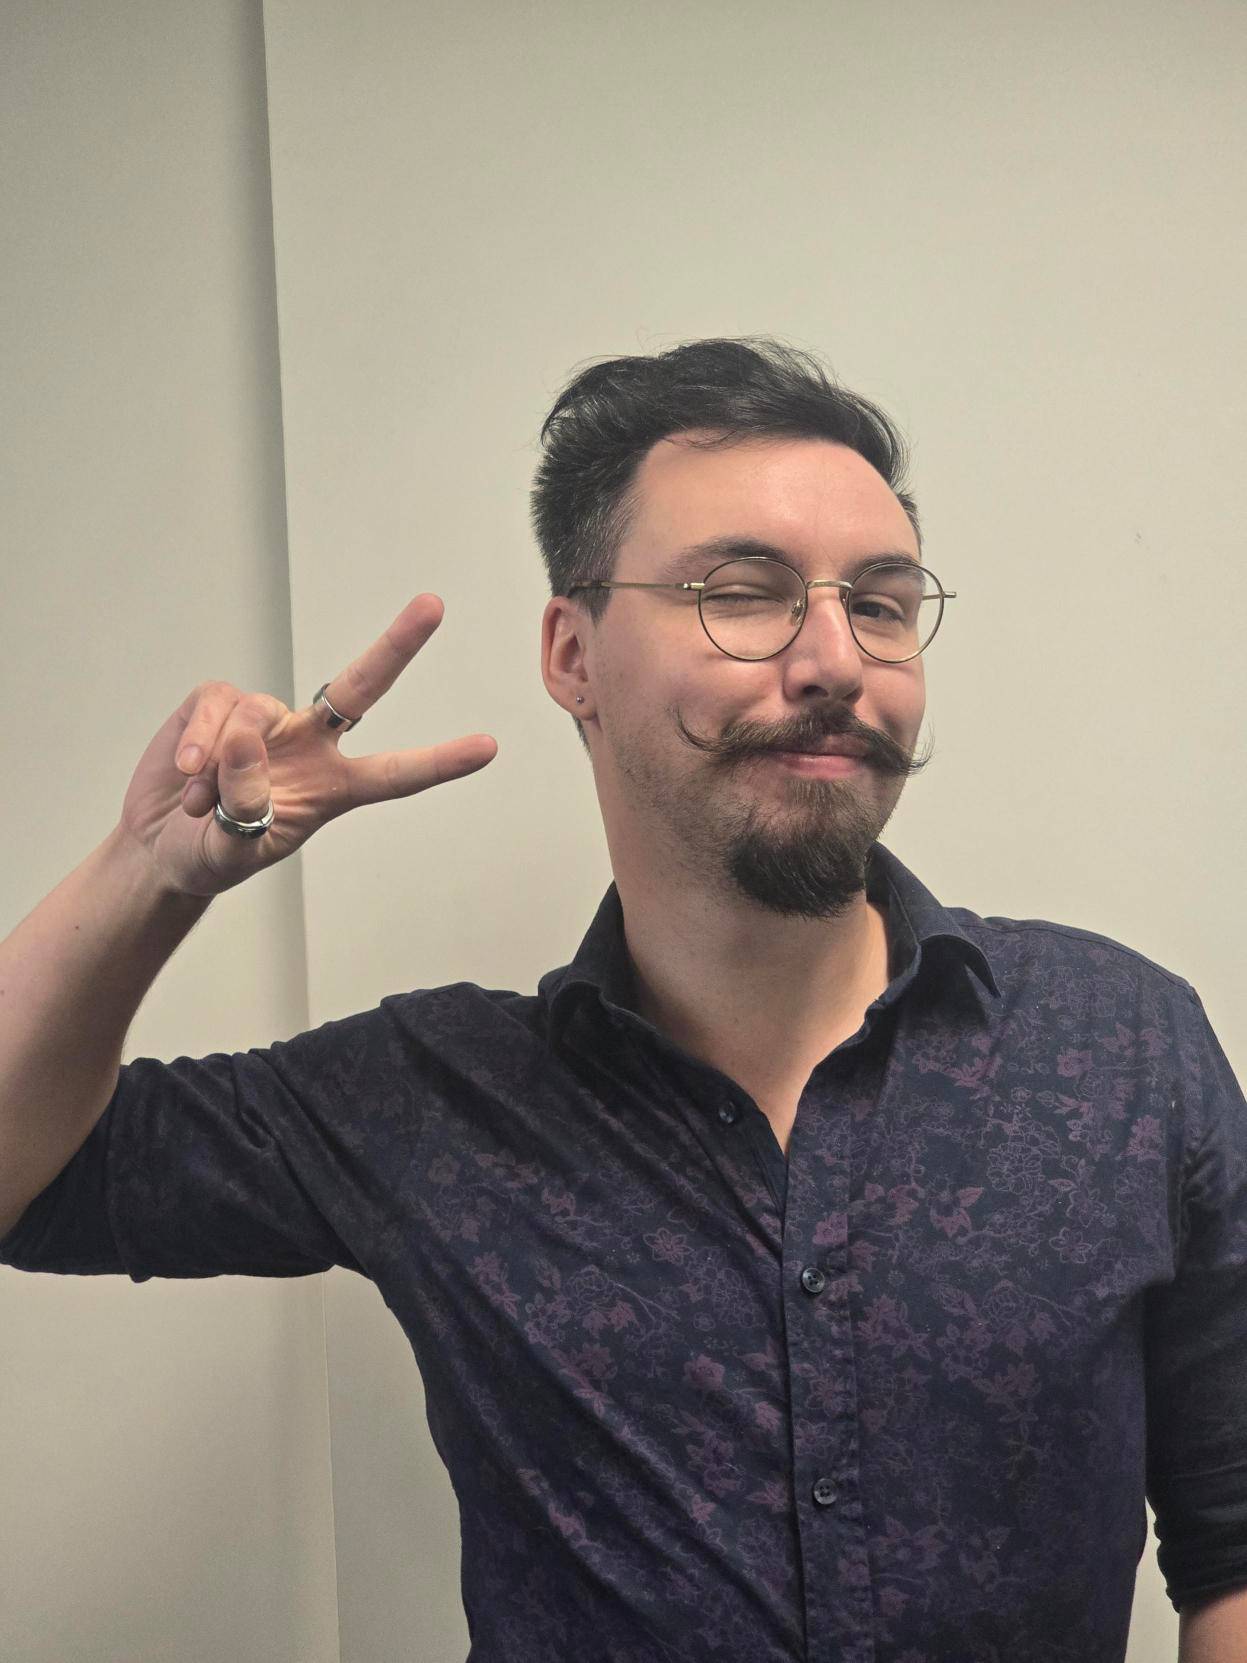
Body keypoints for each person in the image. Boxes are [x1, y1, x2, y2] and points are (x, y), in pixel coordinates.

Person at [1, 338, 1243, 1663]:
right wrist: (150, 874)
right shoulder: (438, 1101)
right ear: (572, 654)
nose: (836, 660)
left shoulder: (1120, 1049)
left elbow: (1233, 1547)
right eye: (745, 594)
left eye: (882, 605)